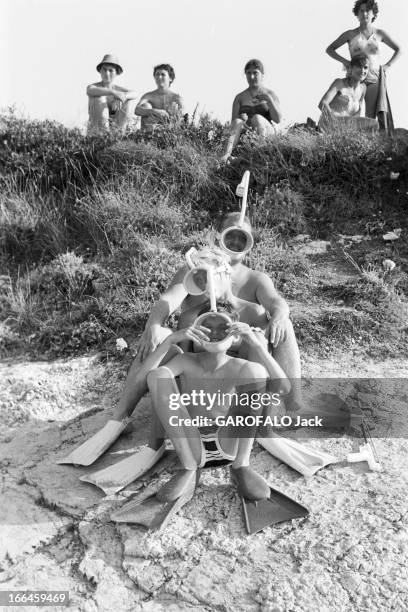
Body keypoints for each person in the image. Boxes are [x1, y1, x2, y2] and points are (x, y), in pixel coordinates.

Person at [325, 0, 401, 132]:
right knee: (352, 111)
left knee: (370, 115)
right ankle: (351, 141)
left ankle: (369, 144)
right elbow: (330, 49)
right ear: (357, 14)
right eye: (361, 10)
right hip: (355, 77)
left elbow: (398, 49)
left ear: (373, 14)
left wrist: (388, 65)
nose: (364, 13)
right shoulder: (350, 34)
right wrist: (345, 62)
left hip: (373, 78)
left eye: (368, 10)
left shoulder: (379, 33)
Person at [221, 59, 282, 163]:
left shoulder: (270, 94)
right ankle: (226, 155)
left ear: (262, 75)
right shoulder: (239, 97)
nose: (252, 77)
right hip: (248, 134)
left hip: (268, 134)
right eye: (248, 73)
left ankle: (260, 152)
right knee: (237, 121)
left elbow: (277, 120)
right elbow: (234, 125)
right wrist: (241, 118)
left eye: (255, 73)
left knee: (257, 118)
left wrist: (268, 100)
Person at [318, 54, 378, 132]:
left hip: (346, 127)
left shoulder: (363, 88)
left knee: (373, 124)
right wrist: (334, 120)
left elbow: (357, 114)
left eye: (365, 67)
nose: (362, 71)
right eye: (359, 66)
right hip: (330, 124)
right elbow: (322, 104)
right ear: (351, 68)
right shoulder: (339, 83)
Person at [87, 54, 138, 135]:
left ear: (116, 73)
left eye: (111, 70)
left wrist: (123, 96)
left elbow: (135, 93)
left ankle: (120, 136)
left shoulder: (119, 90)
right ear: (100, 71)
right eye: (104, 70)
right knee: (100, 99)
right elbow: (90, 90)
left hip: (116, 131)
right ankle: (102, 137)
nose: (107, 73)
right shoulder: (94, 87)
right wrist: (113, 92)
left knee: (128, 101)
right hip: (97, 132)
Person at [135, 64, 186, 132]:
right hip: (150, 130)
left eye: (163, 74)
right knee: (146, 105)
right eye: (157, 74)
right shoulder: (148, 96)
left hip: (170, 131)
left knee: (174, 106)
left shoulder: (176, 97)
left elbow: (183, 112)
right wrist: (153, 111)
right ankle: (147, 137)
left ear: (170, 78)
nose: (159, 77)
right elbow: (136, 110)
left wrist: (168, 115)